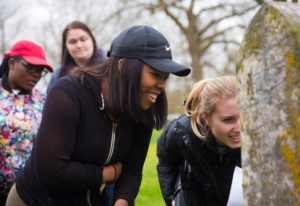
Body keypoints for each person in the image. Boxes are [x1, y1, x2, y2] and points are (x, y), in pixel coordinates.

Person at [6, 25, 191, 206]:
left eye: (165, 77)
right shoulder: (68, 93)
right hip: (36, 200)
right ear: (121, 66)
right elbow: (51, 170)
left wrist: (122, 200)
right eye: (155, 74)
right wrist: (106, 174)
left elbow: (132, 171)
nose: (162, 85)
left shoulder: (142, 109)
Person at [156, 76, 241, 206]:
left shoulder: (257, 138)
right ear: (205, 117)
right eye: (228, 120)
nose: (239, 128)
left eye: (244, 116)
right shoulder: (182, 133)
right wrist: (171, 197)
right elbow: (165, 157)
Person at [0, 40, 53, 205]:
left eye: (40, 71)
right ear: (12, 63)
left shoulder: (45, 101)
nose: (36, 75)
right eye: (31, 67)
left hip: (33, 193)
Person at [47, 20, 106, 92]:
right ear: (66, 46)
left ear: (92, 40)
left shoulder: (110, 67)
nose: (79, 45)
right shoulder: (58, 74)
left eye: (83, 39)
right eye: (72, 42)